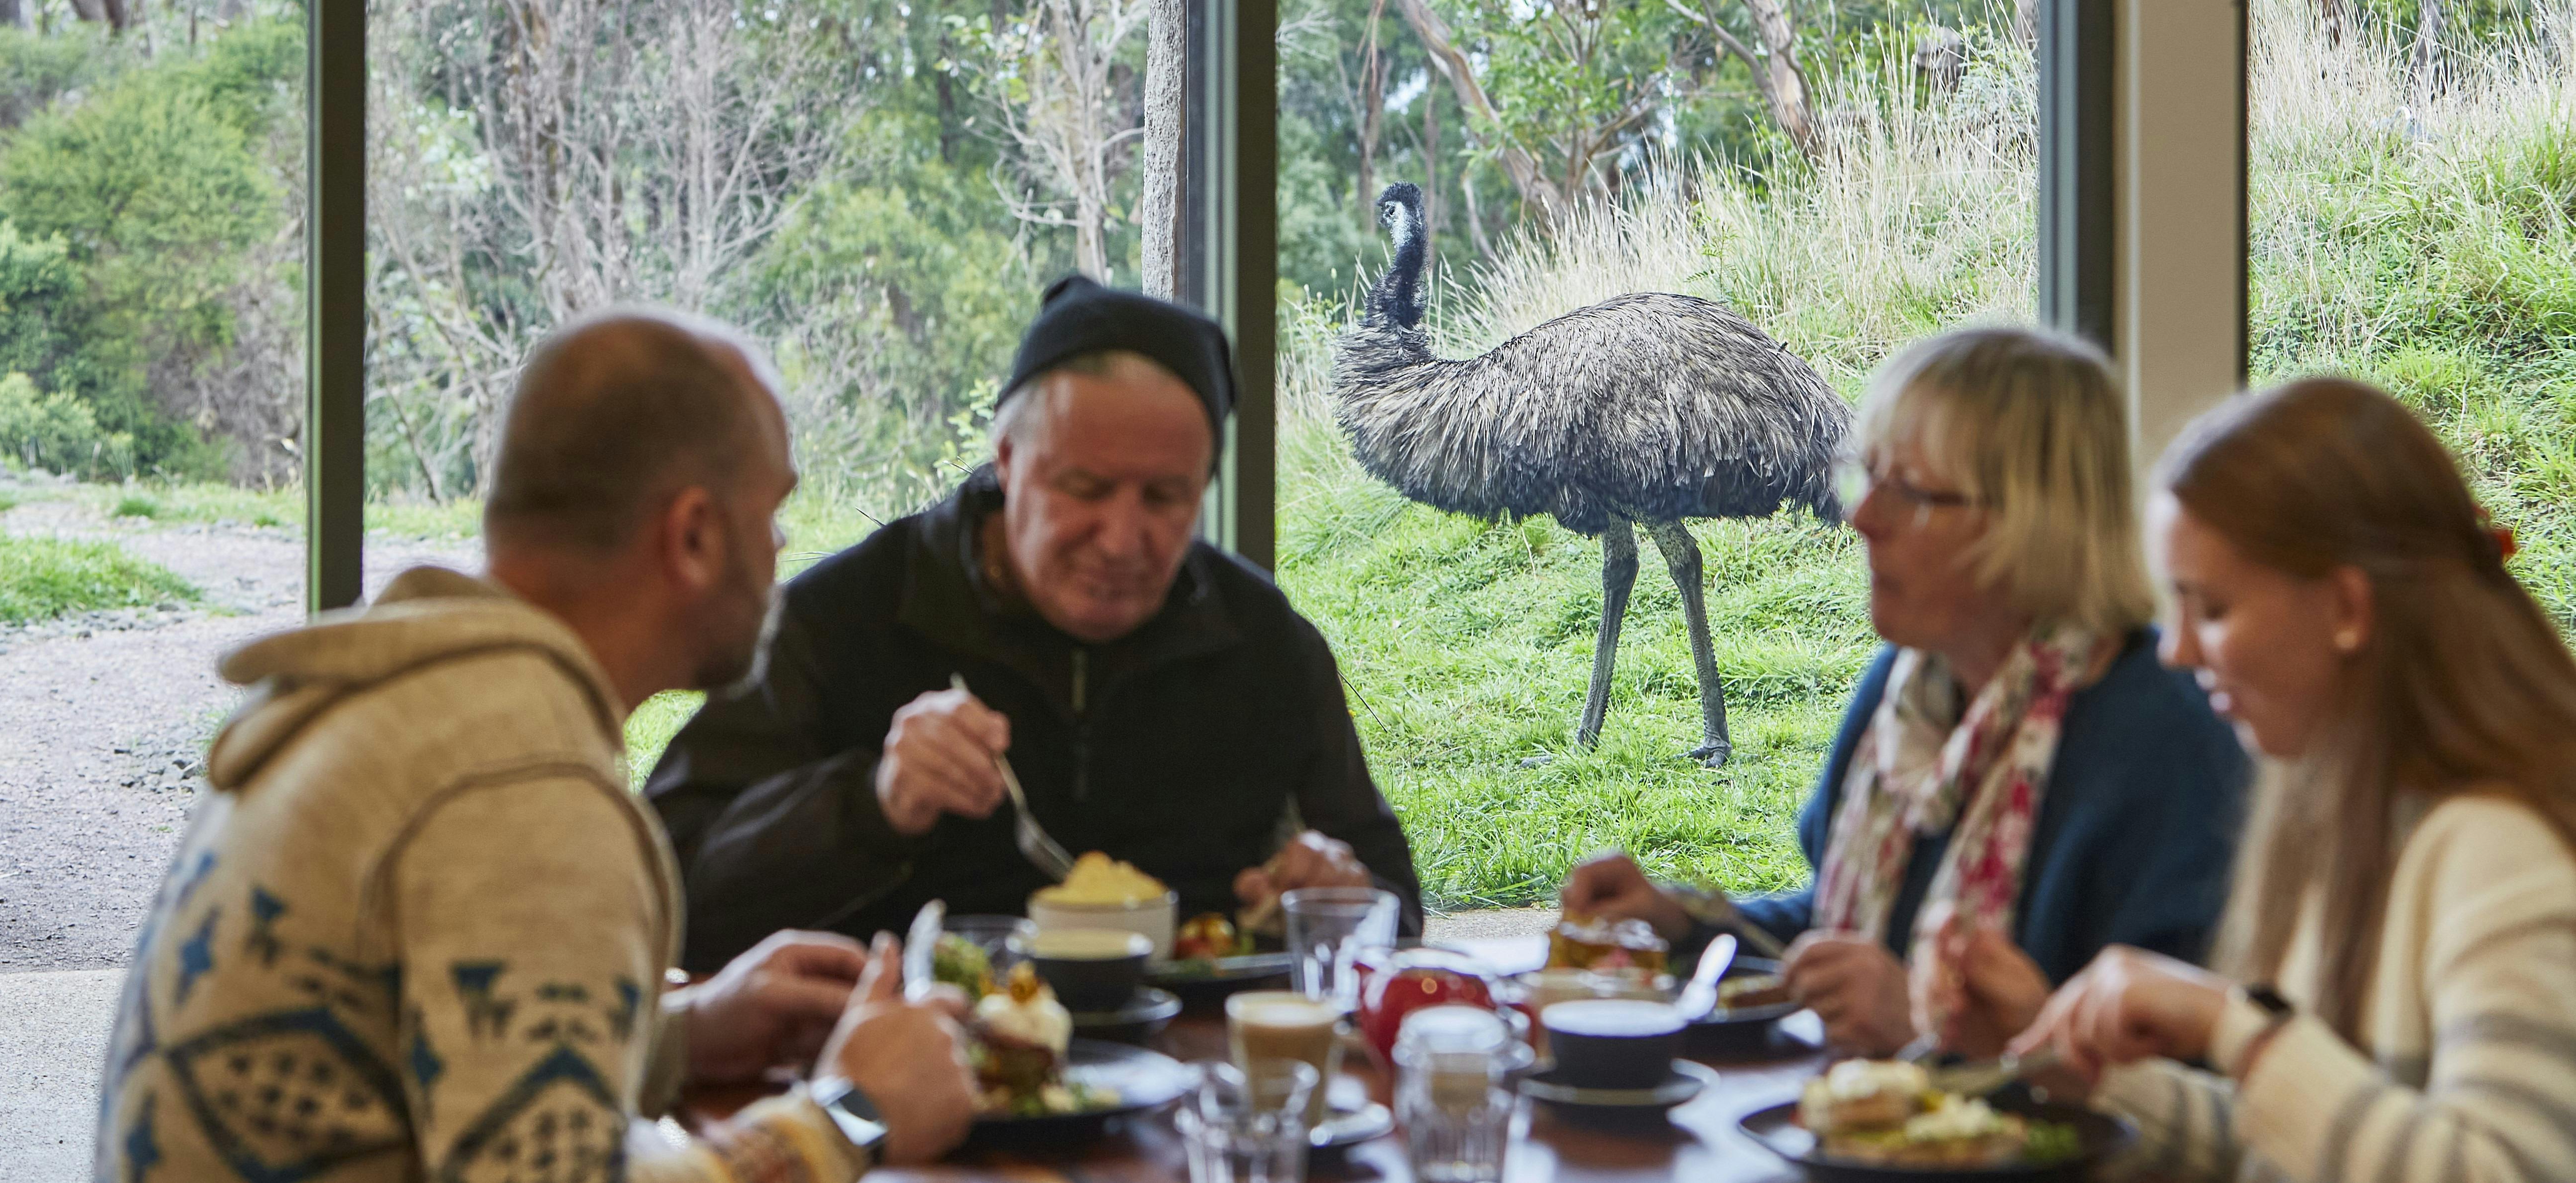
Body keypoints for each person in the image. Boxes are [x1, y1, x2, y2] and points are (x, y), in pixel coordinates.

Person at [92, 311, 977, 1183]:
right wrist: (853, 1115)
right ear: (696, 535)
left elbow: (428, 1062)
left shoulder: (402, 702)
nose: (783, 552)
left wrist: (682, 1033)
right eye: (774, 513)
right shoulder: (526, 790)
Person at [648, 276, 1422, 968]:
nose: (1122, 540)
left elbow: (1395, 906)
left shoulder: (1259, 641)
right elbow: (658, 893)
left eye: (1164, 498)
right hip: (897, 1077)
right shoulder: (844, 619)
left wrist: (1340, 900)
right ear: (1007, 460)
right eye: (1083, 488)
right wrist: (871, 805)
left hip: (1189, 1091)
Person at [1562, 325, 2249, 1055]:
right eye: (1867, 475)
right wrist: (1682, 923)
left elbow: (2179, 1099)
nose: (1863, 516)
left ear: (2033, 523)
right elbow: (1842, 932)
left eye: (1910, 492)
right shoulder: (1907, 684)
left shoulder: (2165, 748)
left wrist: (1931, 1034)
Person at [1955, 378, 2576, 1183]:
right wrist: (2072, 1068)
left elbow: (2506, 1171)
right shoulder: (2337, 812)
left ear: (2349, 609)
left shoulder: (2498, 847)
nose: (2175, 651)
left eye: (2209, 609)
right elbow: (2296, 1147)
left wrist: (2234, 1030)